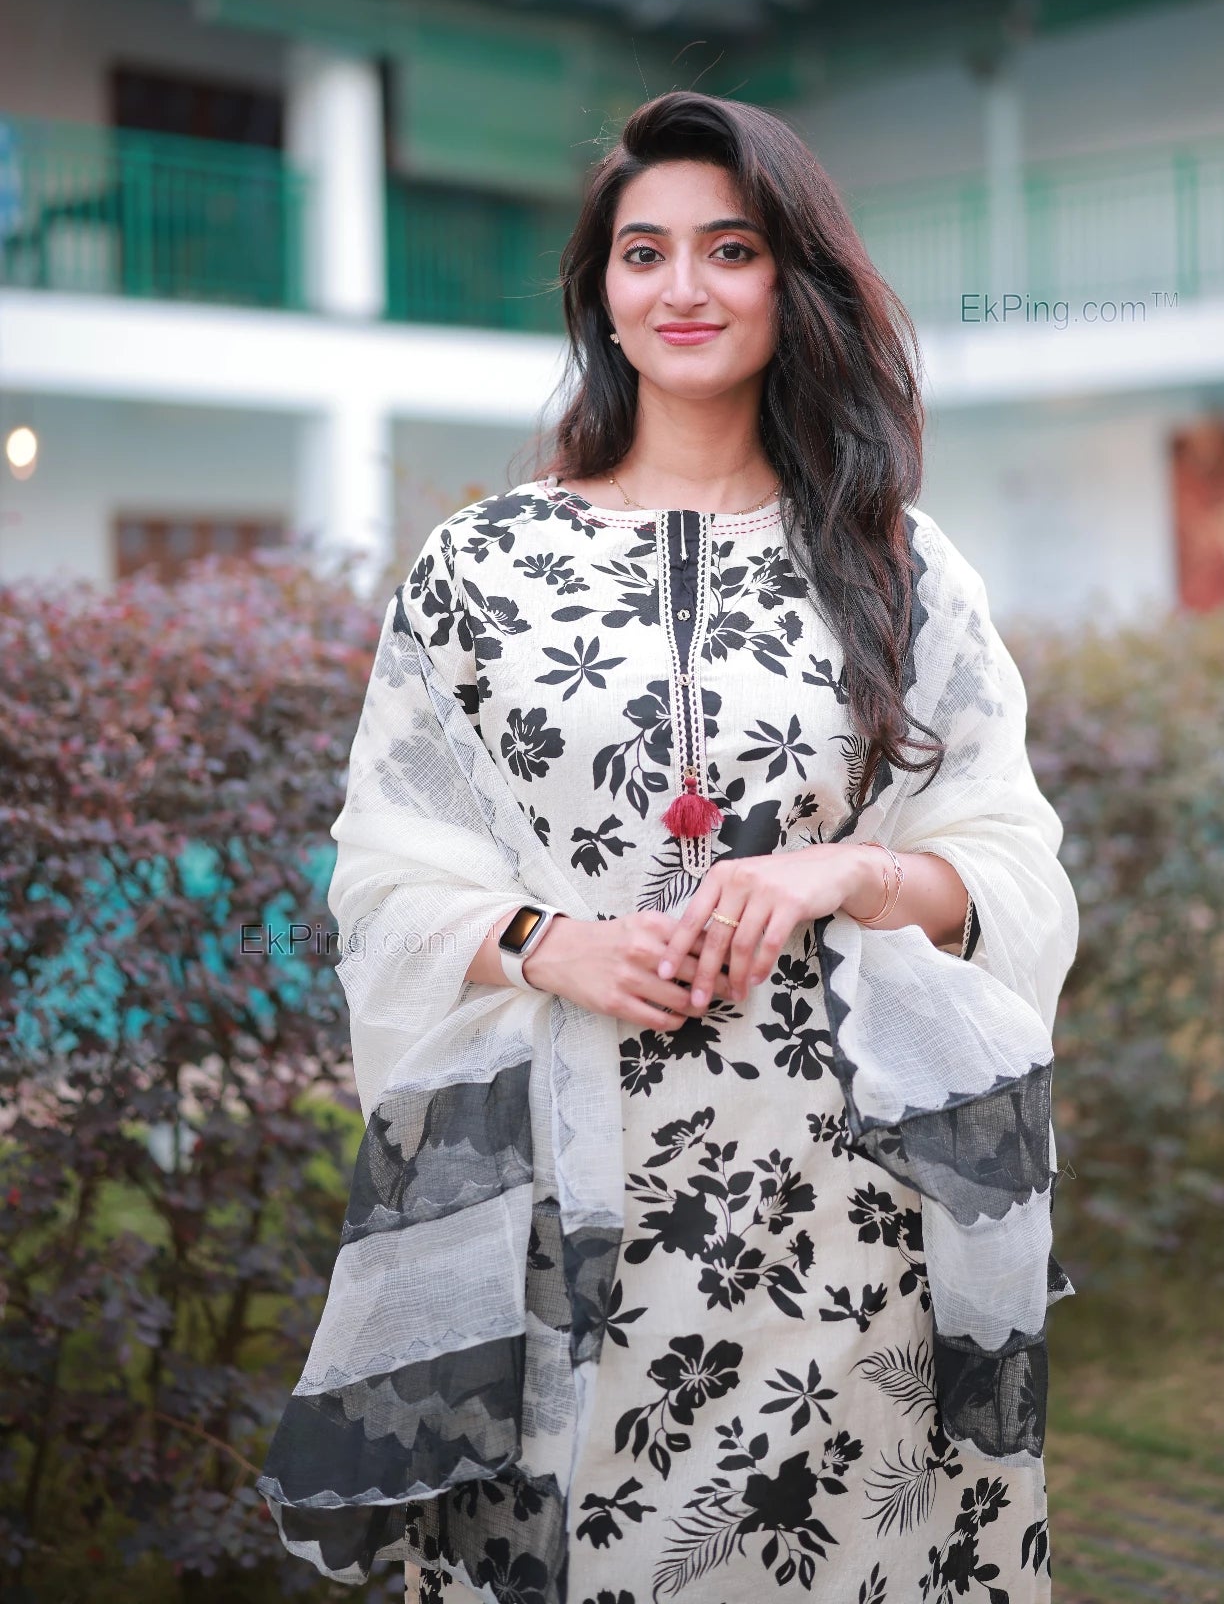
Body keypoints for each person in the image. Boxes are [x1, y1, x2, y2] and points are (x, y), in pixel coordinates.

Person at [258, 92, 1079, 1603]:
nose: (683, 287)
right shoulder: (481, 565)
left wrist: (833, 872)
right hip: (560, 1192)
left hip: (842, 1213)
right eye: (643, 254)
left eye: (730, 248)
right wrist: (538, 941)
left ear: (792, 282)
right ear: (602, 297)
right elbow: (382, 861)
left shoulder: (893, 562)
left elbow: (1007, 865)